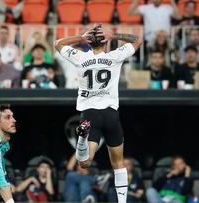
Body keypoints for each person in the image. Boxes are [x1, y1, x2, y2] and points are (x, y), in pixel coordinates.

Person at [54, 23, 143, 203]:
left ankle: (80, 140)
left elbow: (58, 43)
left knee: (84, 162)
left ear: (89, 42)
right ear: (105, 42)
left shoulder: (80, 57)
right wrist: (114, 35)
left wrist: (81, 37)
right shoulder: (114, 56)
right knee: (118, 164)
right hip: (110, 114)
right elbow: (139, 40)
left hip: (89, 114)